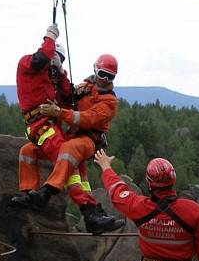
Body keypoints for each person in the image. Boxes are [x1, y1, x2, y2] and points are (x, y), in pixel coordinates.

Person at [9, 23, 124, 235]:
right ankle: (34, 194)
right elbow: (67, 95)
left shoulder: (109, 102)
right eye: (102, 73)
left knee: (68, 153)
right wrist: (59, 71)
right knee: (29, 152)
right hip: (54, 130)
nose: (105, 79)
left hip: (87, 138)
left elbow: (86, 118)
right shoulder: (77, 85)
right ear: (95, 70)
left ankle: (47, 193)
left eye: (110, 76)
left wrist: (58, 110)